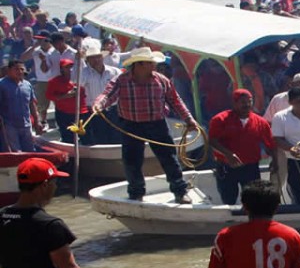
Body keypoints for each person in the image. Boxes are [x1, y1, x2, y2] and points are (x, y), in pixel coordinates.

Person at [93, 47, 198, 204]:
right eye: (150, 63)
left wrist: (189, 119)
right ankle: (136, 193)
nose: (154, 66)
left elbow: (175, 101)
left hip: (157, 124)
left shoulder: (161, 81)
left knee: (169, 158)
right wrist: (99, 104)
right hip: (131, 125)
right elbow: (107, 95)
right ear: (139, 64)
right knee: (131, 161)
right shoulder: (121, 80)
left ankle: (180, 191)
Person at [208, 89, 276, 205]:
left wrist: (275, 160)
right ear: (234, 103)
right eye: (243, 102)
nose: (247, 105)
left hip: (250, 168)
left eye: (250, 101)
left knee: (253, 199)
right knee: (228, 199)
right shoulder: (220, 119)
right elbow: (212, 141)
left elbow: (270, 144)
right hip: (227, 167)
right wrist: (228, 154)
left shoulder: (261, 122)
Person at [77, 39, 122, 145]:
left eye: (97, 57)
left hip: (113, 110)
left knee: (117, 136)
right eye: (92, 58)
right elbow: (77, 83)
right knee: (100, 138)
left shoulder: (114, 72)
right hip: (94, 111)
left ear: (102, 57)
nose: (95, 60)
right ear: (87, 60)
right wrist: (78, 61)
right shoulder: (83, 74)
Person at [0, 60, 44, 152]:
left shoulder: (27, 85)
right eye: (16, 69)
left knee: (30, 150)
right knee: (15, 152)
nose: (20, 72)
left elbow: (32, 104)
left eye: (21, 69)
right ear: (9, 70)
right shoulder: (2, 84)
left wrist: (37, 121)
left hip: (26, 125)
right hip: (9, 125)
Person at [45, 59, 90, 145]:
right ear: (61, 69)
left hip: (82, 112)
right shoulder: (54, 81)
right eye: (67, 67)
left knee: (86, 136)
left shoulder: (81, 78)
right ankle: (71, 156)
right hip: (64, 113)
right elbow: (49, 96)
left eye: (71, 67)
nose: (70, 69)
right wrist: (65, 96)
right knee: (68, 137)